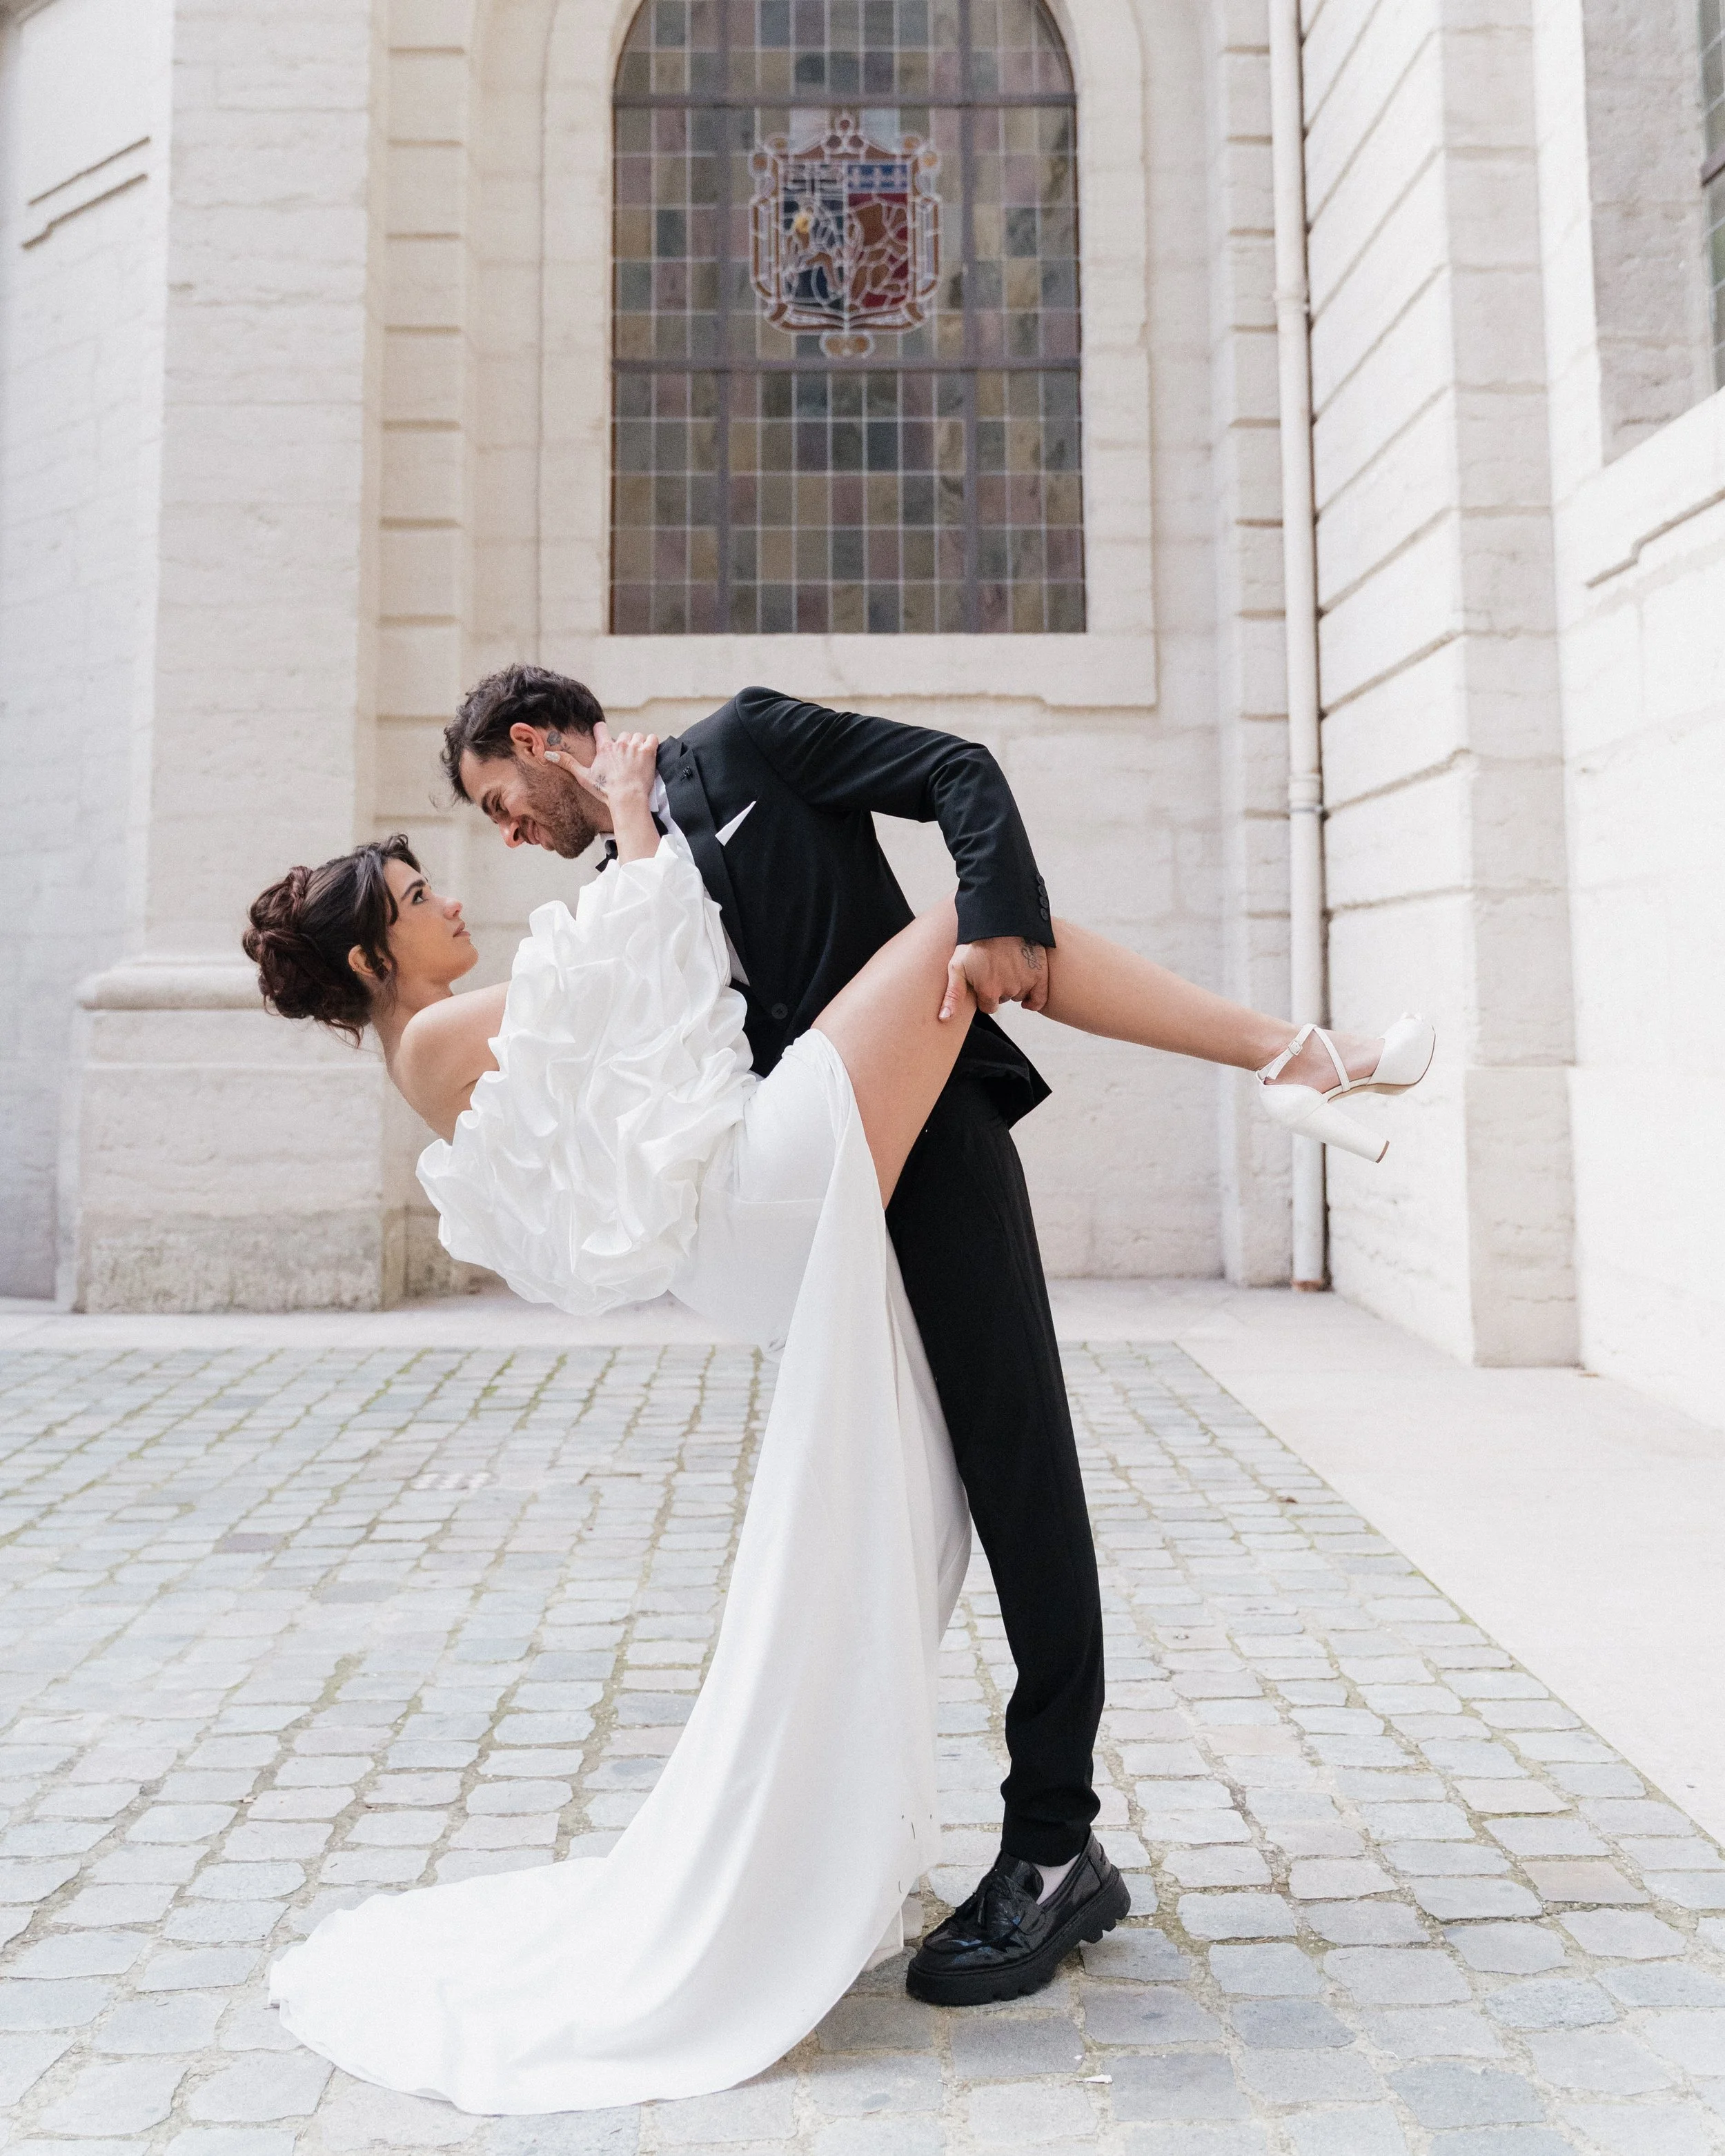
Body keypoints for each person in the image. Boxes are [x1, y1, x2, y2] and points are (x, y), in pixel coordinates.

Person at [244, 724, 1432, 2113]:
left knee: (976, 941)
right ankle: (1291, 1054)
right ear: (375, 961)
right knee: (957, 923)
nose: (449, 893)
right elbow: (647, 970)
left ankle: (1295, 1056)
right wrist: (634, 812)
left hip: (752, 1204)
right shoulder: (438, 1033)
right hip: (755, 1195)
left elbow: (642, 1008)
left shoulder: (446, 1024)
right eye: (413, 895)